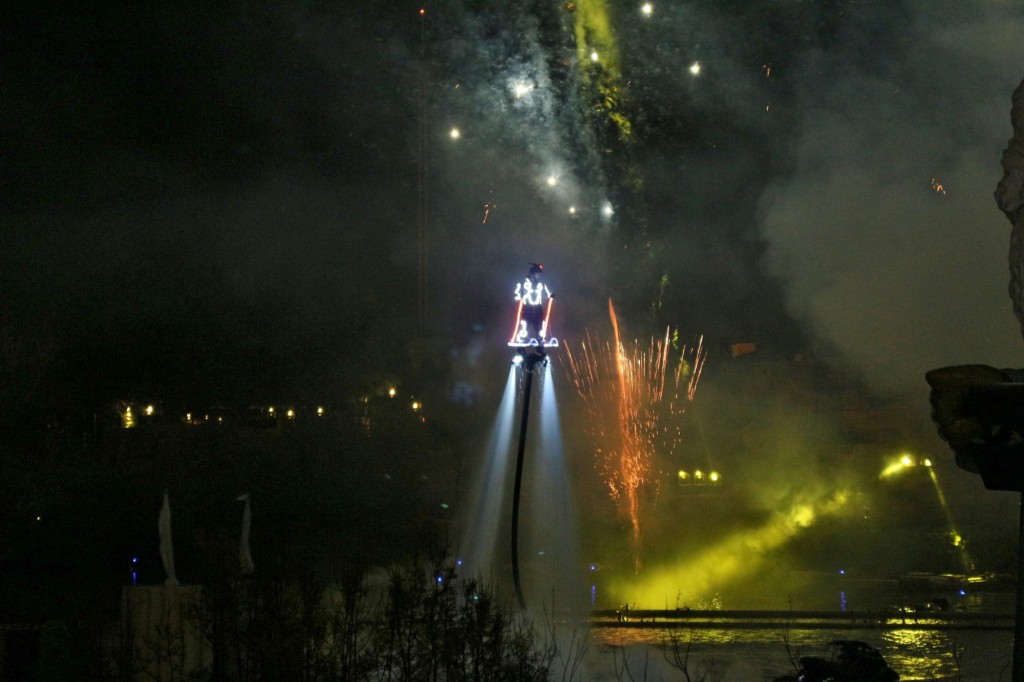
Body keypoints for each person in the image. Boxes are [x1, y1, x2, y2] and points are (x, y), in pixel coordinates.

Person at [510, 263, 554, 347]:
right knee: (524, 327)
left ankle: (540, 344)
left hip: (538, 310)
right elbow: (515, 295)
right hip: (527, 309)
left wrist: (551, 296)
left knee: (540, 328)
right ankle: (521, 345)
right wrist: (520, 295)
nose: (539, 276)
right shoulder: (523, 283)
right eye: (538, 274)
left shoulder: (541, 285)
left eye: (540, 274)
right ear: (532, 274)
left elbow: (547, 294)